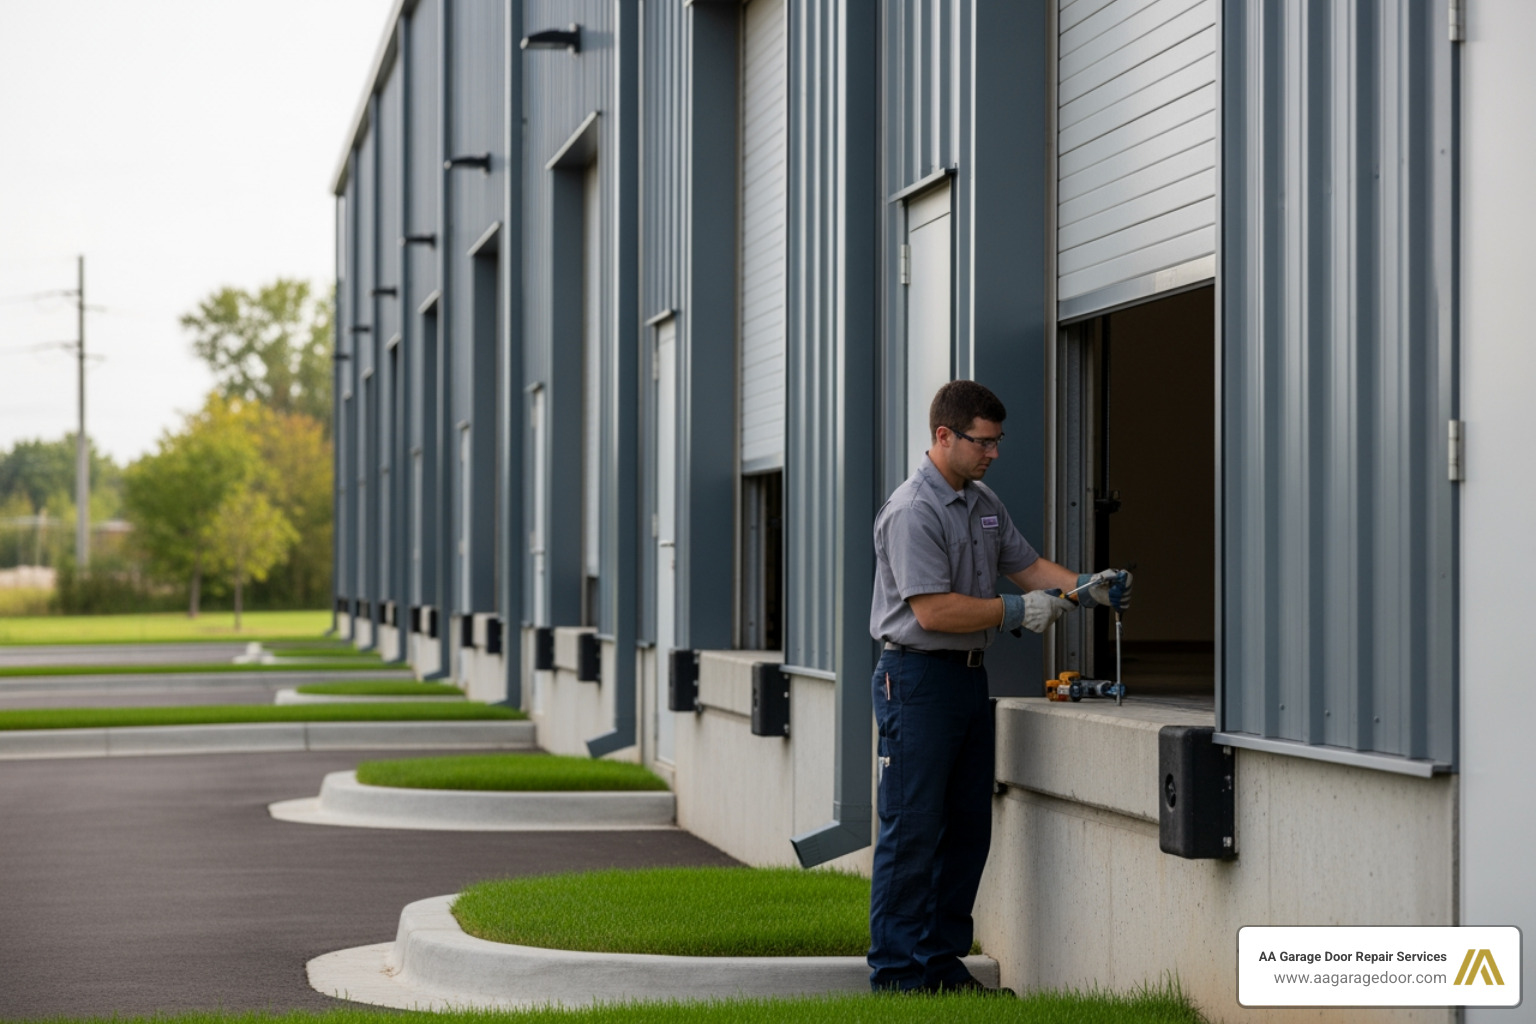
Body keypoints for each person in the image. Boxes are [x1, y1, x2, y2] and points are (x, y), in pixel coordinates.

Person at [867, 379, 1131, 993]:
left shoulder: (983, 501)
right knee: (913, 828)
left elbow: (1030, 568)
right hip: (916, 679)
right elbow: (933, 612)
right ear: (944, 436)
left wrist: (1086, 587)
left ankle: (939, 964)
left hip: (966, 683)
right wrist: (1016, 612)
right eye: (982, 442)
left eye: (997, 442)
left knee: (965, 827)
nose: (992, 453)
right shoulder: (914, 510)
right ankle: (898, 974)